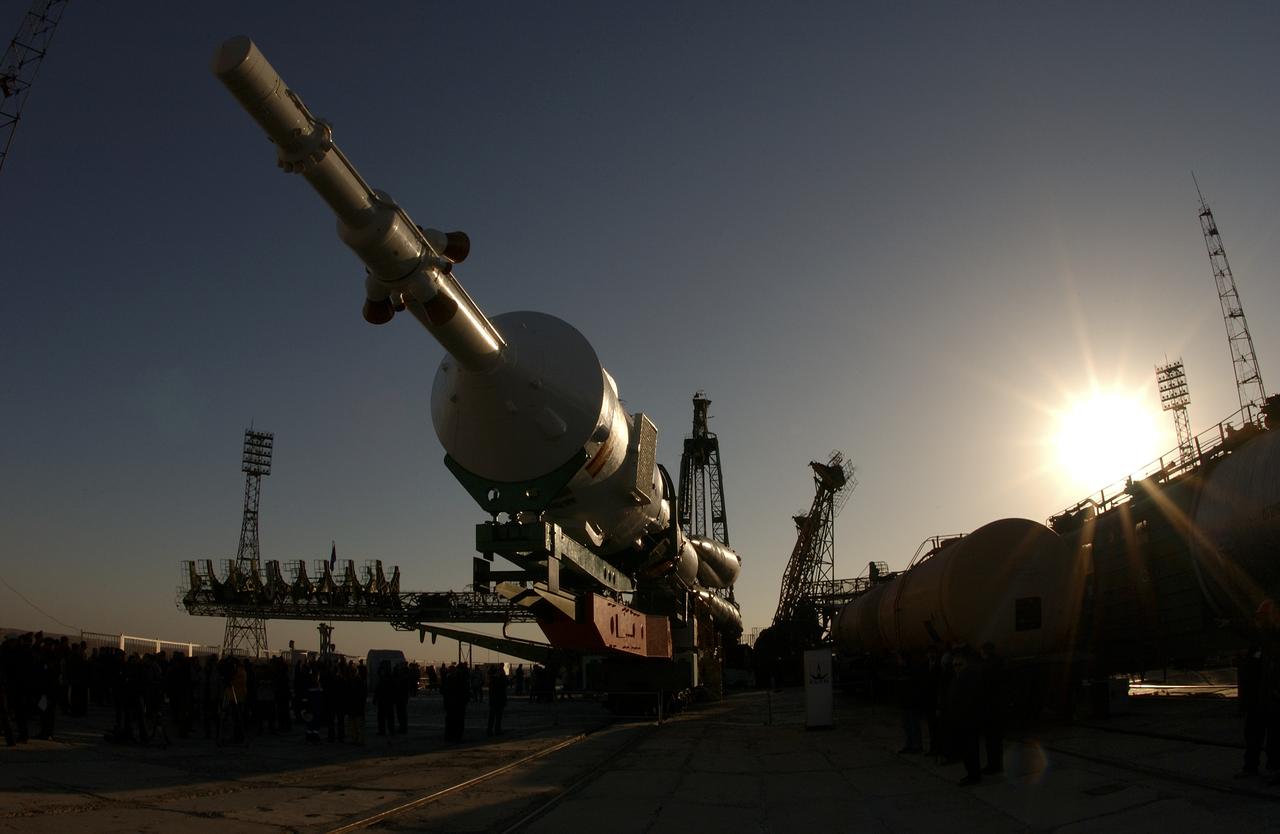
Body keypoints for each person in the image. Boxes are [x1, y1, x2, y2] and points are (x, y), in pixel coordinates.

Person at [947, 645, 983, 786]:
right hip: (962, 719)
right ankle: (972, 773)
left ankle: (974, 775)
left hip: (967, 719)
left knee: (970, 749)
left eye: (958, 664)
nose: (956, 667)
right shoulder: (959, 677)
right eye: (954, 664)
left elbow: (969, 700)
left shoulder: (968, 677)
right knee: (967, 748)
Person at [978, 642, 1004, 774]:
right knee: (995, 740)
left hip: (990, 708)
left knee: (992, 739)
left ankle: (993, 766)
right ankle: (996, 764)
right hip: (996, 707)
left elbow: (984, 683)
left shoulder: (989, 666)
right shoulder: (998, 663)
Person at [487, 665, 508, 736]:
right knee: (498, 716)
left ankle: (490, 730)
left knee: (492, 716)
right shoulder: (497, 680)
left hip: (493, 700)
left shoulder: (491, 680)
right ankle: (497, 730)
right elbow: (504, 686)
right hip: (498, 700)